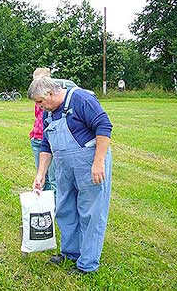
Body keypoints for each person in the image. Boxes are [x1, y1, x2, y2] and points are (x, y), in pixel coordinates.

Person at [28, 77, 113, 274]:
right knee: (65, 209)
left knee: (91, 213)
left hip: (89, 166)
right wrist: (40, 174)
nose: (39, 108)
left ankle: (87, 264)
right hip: (64, 169)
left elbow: (104, 126)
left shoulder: (81, 99)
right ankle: (70, 253)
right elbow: (45, 145)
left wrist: (98, 162)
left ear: (50, 93)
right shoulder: (48, 114)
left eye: (40, 102)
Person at [29, 68, 57, 194]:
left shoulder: (53, 101)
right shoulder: (38, 100)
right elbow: (38, 118)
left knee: (53, 177)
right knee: (41, 176)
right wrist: (33, 133)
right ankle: (43, 207)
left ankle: (55, 207)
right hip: (37, 139)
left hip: (50, 140)